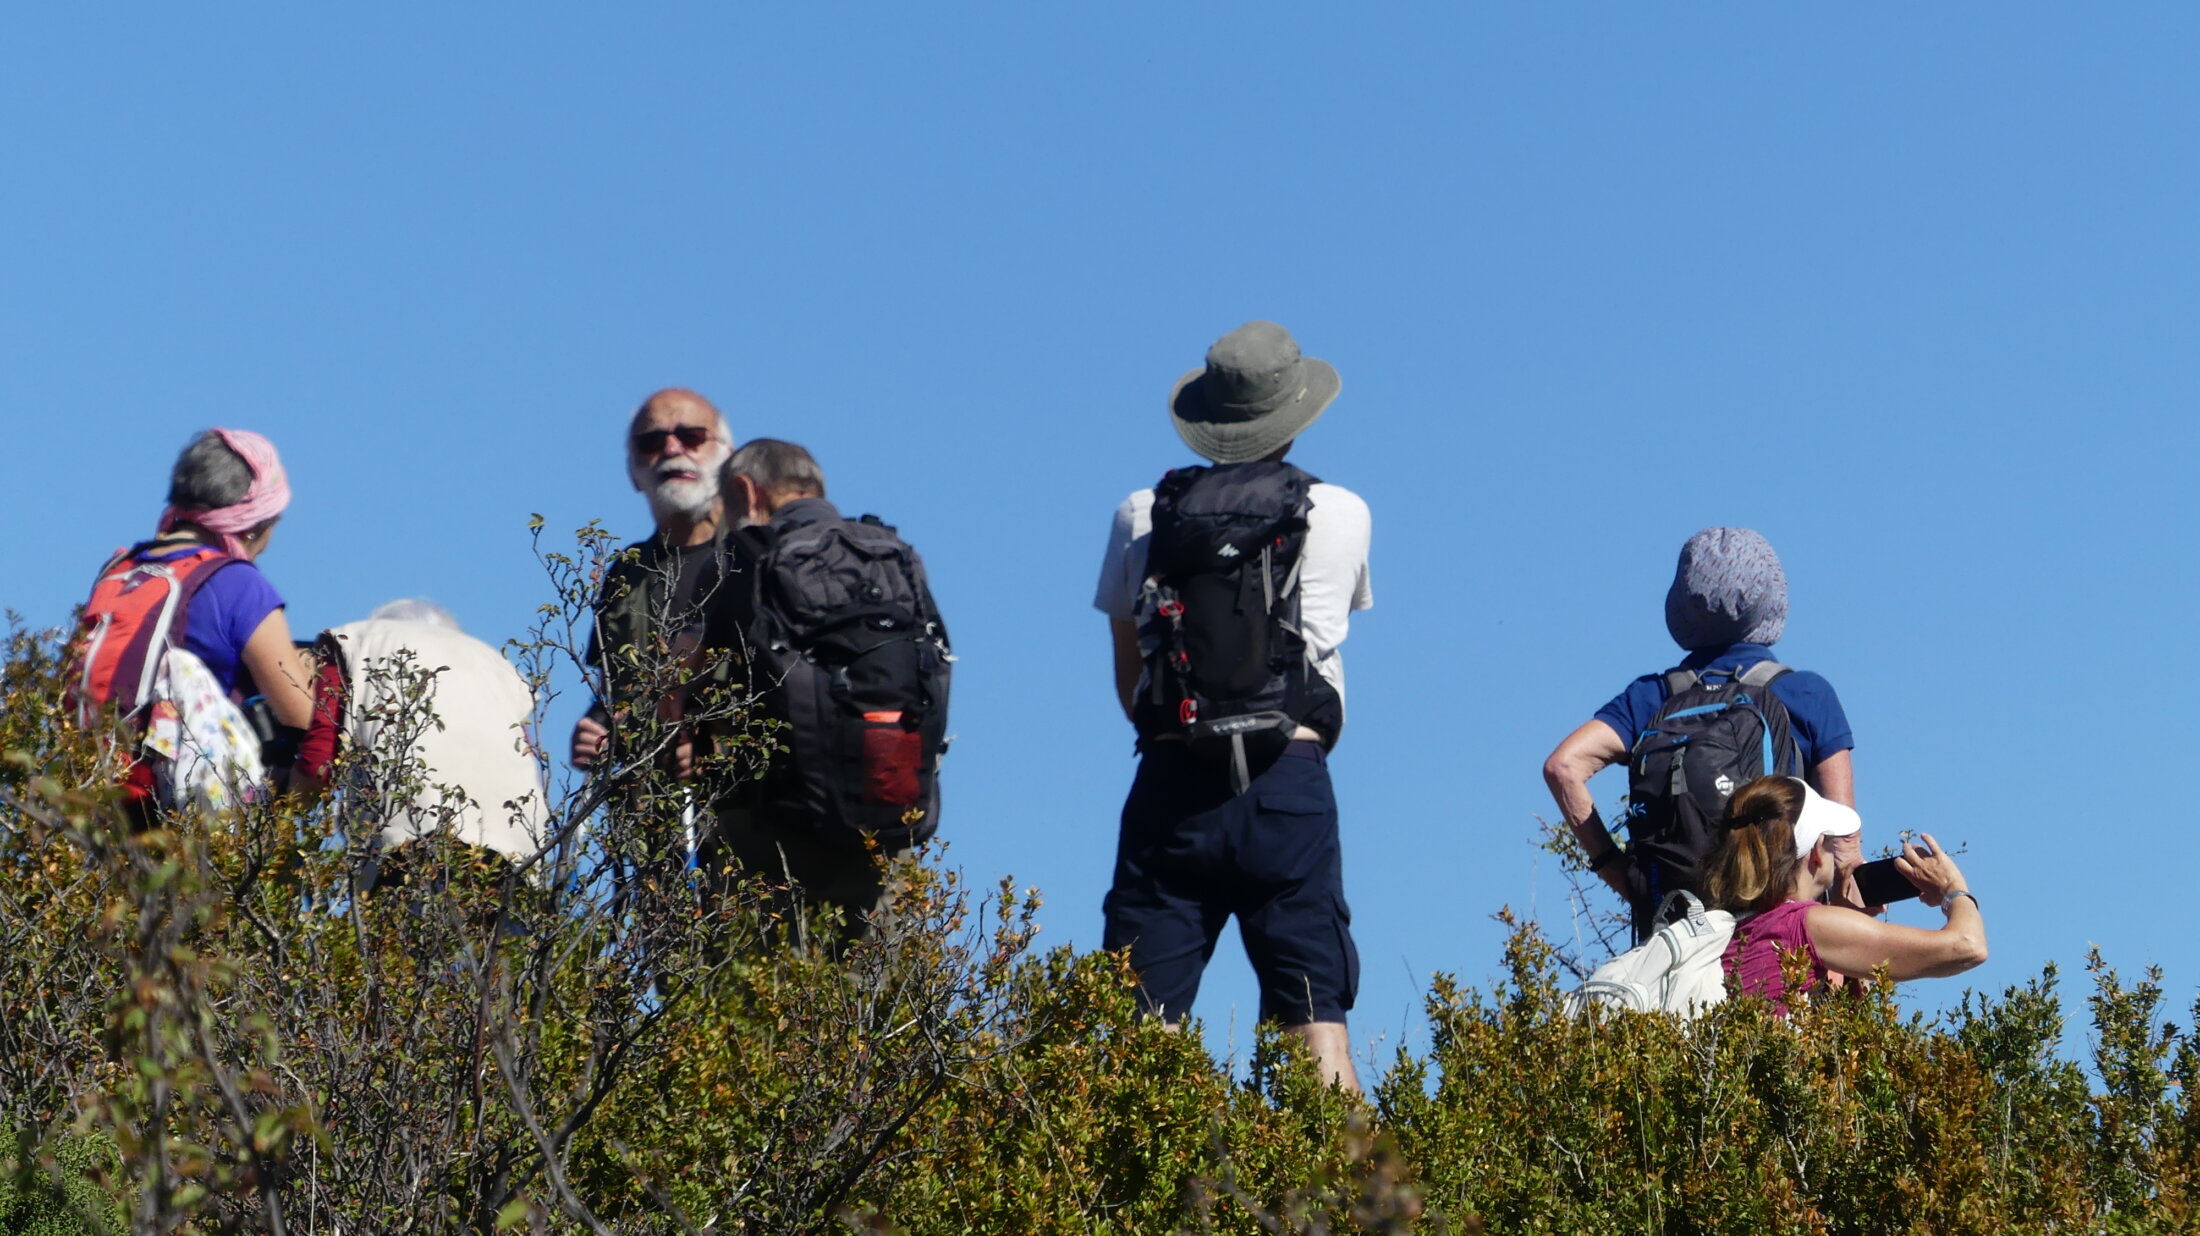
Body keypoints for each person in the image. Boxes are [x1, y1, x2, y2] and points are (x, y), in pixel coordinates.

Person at [1094, 321, 1372, 1091]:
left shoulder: (1140, 514)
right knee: (1317, 1028)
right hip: (1290, 780)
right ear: (1294, 413)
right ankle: (1361, 1206)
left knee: (1140, 1032)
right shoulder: (1340, 511)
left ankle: (1133, 1201)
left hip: (1172, 783)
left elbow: (1130, 680)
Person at [1543, 527, 1861, 940]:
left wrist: (1620, 874)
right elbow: (1843, 848)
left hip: (1673, 938)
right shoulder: (1805, 694)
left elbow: (1563, 767)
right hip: (1777, 944)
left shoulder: (1650, 698)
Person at [697, 439, 951, 950]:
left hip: (777, 835)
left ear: (746, 491)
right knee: (875, 1014)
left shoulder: (742, 559)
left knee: (750, 1012)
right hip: (889, 823)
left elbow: (681, 688)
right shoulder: (895, 554)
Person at [70, 429, 315, 811]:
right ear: (252, 522)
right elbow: (304, 716)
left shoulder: (121, 570)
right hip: (181, 816)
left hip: (95, 802)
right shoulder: (238, 584)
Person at [296, 600, 548, 892]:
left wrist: (280, 813)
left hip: (409, 849)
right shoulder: (499, 668)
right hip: (516, 863)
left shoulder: (353, 641)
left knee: (406, 932)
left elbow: (319, 761)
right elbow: (526, 759)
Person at [1705, 776, 1984, 1008]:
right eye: (1830, 843)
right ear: (1816, 851)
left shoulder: (1739, 924)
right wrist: (1953, 889)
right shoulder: (1806, 925)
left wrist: (1842, 913)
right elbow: (1966, 947)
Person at [568, 388, 733, 777]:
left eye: (692, 436)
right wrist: (597, 728)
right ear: (633, 473)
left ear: (727, 456)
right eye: (652, 441)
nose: (673, 449)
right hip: (647, 817)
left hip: (741, 814)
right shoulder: (628, 573)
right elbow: (616, 689)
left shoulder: (755, 561)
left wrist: (721, 748)